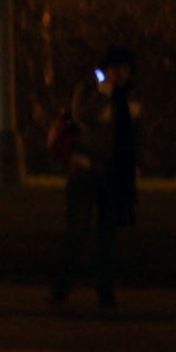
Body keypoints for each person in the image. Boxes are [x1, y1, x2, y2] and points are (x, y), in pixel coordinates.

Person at [49, 46, 138, 308]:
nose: (119, 74)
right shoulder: (89, 91)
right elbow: (80, 115)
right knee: (76, 231)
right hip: (84, 171)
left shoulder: (131, 97)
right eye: (114, 68)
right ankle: (61, 288)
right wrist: (103, 94)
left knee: (108, 236)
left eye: (123, 69)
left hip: (113, 174)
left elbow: (134, 132)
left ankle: (105, 291)